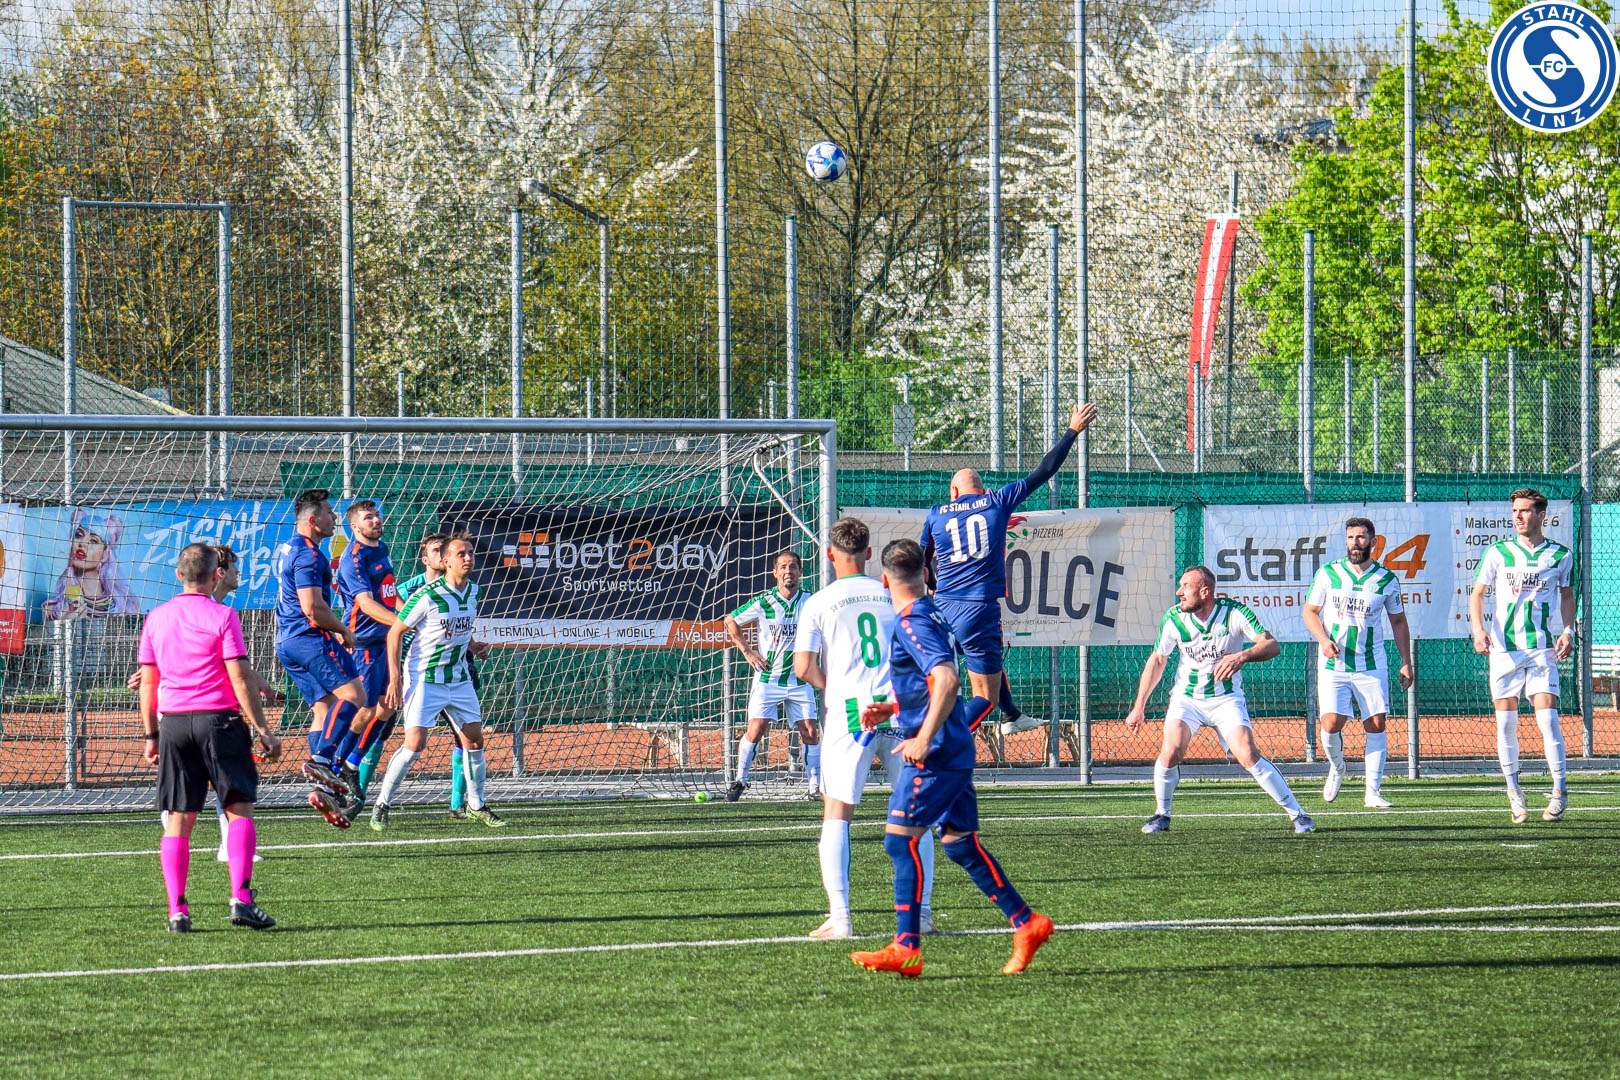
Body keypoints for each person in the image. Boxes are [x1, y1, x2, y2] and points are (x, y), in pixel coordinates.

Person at [849, 539, 1053, 978]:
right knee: (960, 843)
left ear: (884, 581)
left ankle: (907, 947)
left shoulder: (911, 620)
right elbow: (929, 685)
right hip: (953, 742)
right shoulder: (933, 611)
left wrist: (922, 737)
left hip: (938, 751)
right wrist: (895, 709)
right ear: (925, 575)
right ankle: (1027, 923)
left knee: (899, 840)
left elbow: (946, 679)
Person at [793, 517, 936, 940]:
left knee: (837, 811)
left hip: (852, 712)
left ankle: (841, 917)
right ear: (870, 553)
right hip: (898, 709)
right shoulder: (890, 592)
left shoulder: (818, 602)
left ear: (829, 554)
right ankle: (922, 914)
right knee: (915, 813)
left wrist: (833, 686)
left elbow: (803, 667)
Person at [920, 403, 1098, 737]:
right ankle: (937, 742)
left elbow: (922, 561)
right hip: (978, 609)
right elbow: (1044, 471)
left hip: (941, 608)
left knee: (969, 670)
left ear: (953, 492)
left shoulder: (936, 513)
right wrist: (1072, 430)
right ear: (982, 489)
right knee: (983, 696)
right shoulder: (997, 500)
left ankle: (1011, 714)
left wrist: (931, 586)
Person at [139, 542, 280, 932]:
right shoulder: (223, 615)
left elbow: (148, 683)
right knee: (238, 808)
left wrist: (152, 734)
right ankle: (241, 900)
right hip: (219, 721)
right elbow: (240, 677)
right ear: (216, 575)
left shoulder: (156, 617)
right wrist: (263, 730)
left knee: (178, 819)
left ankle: (177, 911)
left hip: (174, 724)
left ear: (178, 575)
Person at [1126, 567, 1314, 835]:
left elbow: (1271, 645)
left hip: (1226, 699)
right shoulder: (1174, 618)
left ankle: (1298, 814)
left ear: (1205, 592)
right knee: (1171, 751)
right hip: (1187, 699)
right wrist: (1139, 706)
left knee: (1247, 754)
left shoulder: (1234, 613)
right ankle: (1161, 814)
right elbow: (1158, 660)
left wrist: (1242, 656)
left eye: (1185, 586)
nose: (1179, 592)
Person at [370, 535, 504, 830]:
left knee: (474, 740)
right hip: (425, 678)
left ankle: (476, 805)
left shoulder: (473, 592)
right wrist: (395, 679)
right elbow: (395, 633)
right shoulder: (426, 595)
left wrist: (472, 645)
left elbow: (457, 627)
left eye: (470, 553)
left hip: (458, 678)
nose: (468, 558)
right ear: (445, 561)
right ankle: (382, 803)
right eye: (461, 554)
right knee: (414, 745)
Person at [1467, 488, 1575, 824]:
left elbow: (1567, 596)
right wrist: (1478, 630)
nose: (1518, 516)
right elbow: (1478, 593)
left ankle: (1560, 792)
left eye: (1525, 510)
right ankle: (1514, 792)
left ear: (1541, 515)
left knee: (1548, 720)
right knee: (1506, 723)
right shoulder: (1498, 552)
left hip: (1541, 649)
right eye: (1515, 510)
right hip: (1503, 650)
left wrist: (1568, 630)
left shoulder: (1560, 555)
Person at [1302, 518, 1414, 808]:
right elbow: (1310, 612)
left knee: (1376, 723)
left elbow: (1398, 621)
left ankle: (1372, 792)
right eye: (1351, 537)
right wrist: (1323, 640)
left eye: (1361, 537)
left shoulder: (1386, 580)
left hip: (1371, 662)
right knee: (1331, 723)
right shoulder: (1329, 573)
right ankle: (1337, 767)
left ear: (1373, 542)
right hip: (1334, 663)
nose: (1355, 543)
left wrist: (1406, 661)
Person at [273, 488, 366, 827]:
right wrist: (343, 629)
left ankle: (323, 790)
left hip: (287, 640)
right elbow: (312, 607)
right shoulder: (309, 554)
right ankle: (322, 762)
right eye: (328, 512)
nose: (334, 517)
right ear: (313, 520)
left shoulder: (288, 547)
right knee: (355, 696)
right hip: (309, 638)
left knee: (324, 709)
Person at [321, 500, 401, 804]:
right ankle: (334, 769)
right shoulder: (353, 559)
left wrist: (407, 615)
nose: (376, 520)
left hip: (386, 639)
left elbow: (390, 595)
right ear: (354, 526)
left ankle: (351, 764)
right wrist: (403, 623)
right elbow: (366, 604)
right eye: (369, 517)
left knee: (388, 705)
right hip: (363, 642)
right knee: (365, 709)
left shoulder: (381, 549)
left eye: (377, 515)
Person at [722, 550, 819, 801]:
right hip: (768, 678)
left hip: (800, 679)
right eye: (783, 567)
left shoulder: (812, 601)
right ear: (775, 572)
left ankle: (815, 787)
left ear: (800, 571)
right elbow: (730, 620)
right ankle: (740, 781)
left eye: (793, 566)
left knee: (810, 731)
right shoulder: (764, 601)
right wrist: (748, 652)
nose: (788, 571)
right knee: (756, 729)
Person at [43, 508, 139, 619]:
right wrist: (66, 624)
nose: (82, 543)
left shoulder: (128, 605)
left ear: (105, 555)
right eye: (79, 535)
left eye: (94, 541)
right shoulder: (51, 609)